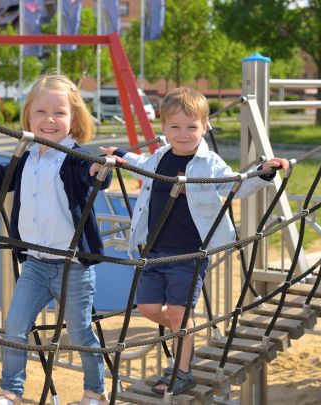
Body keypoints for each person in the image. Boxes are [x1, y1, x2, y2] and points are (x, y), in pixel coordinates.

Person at [0, 73, 124, 405]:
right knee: (15, 327)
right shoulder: (27, 155)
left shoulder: (75, 157)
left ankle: (95, 393)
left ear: (74, 118)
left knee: (79, 334)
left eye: (59, 113)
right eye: (41, 112)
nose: (49, 119)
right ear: (28, 116)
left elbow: (91, 175)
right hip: (35, 264)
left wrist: (99, 171)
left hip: (72, 266)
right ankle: (11, 393)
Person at [101, 87, 289, 396]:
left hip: (190, 253)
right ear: (164, 129)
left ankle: (181, 371)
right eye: (175, 127)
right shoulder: (160, 157)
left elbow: (234, 186)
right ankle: (184, 328)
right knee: (147, 308)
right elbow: (139, 163)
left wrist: (263, 173)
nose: (183, 134)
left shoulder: (209, 163)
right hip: (154, 251)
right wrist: (119, 155)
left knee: (178, 314)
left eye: (191, 126)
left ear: (204, 126)